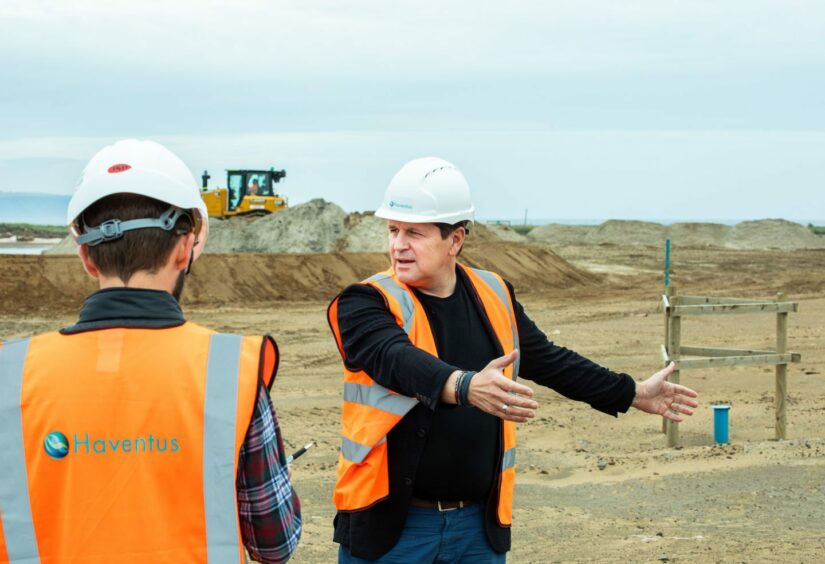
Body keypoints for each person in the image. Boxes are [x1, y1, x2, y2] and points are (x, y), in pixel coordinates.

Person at [327, 157, 699, 562]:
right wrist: (465, 386)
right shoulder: (364, 301)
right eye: (393, 230)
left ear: (455, 240)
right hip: (392, 529)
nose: (398, 245)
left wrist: (630, 392)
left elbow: (549, 360)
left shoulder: (494, 293)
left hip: (476, 529)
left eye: (414, 233)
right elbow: (393, 358)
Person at [0, 139, 301, 563]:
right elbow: (275, 543)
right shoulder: (231, 370)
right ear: (184, 249)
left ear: (86, 256)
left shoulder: (10, 374)